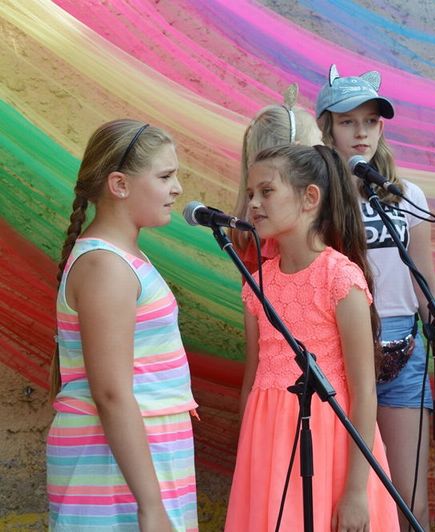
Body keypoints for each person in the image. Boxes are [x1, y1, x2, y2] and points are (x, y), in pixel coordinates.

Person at [315, 64, 435, 529]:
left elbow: (427, 285)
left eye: (371, 121)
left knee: (410, 499)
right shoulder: (314, 196)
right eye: (348, 122)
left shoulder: (404, 193)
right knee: (343, 496)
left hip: (404, 347)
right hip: (337, 344)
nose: (361, 132)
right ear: (327, 128)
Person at [224, 144, 400, 531]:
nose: (253, 204)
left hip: (329, 447)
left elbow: (364, 392)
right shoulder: (257, 286)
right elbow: (251, 381)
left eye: (266, 191)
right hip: (267, 447)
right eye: (251, 194)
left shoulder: (340, 279)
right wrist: (249, 461)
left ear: (310, 198)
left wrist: (356, 490)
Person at [47, 119, 198, 531]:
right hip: (112, 469)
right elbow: (111, 393)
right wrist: (150, 505)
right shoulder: (106, 266)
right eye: (165, 176)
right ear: (119, 184)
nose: (177, 188)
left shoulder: (124, 258)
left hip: (141, 457)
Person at [230, 83, 323, 274]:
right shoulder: (284, 235)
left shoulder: (249, 227)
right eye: (319, 143)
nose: (324, 148)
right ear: (299, 153)